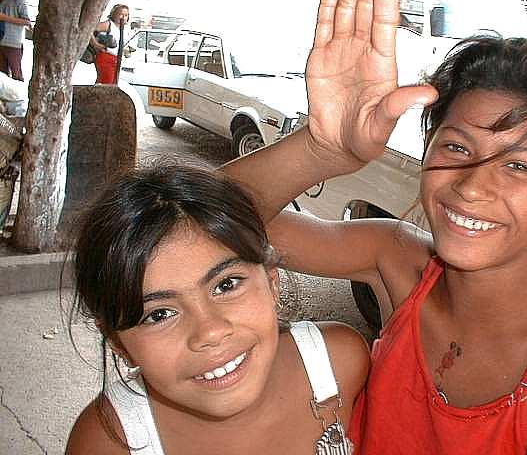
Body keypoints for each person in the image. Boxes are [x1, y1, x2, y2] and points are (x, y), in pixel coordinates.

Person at [223, 0, 527, 454]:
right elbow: (208, 220)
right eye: (457, 147)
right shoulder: (396, 258)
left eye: (518, 165)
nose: (472, 185)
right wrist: (319, 150)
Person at [64, 162, 369, 455]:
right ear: (118, 343)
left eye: (226, 285)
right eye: (159, 315)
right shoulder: (108, 441)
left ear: (271, 282)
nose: (210, 332)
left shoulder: (339, 363)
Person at [0, 0, 30, 81]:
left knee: (16, 75)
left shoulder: (18, 0)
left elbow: (27, 22)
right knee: (2, 77)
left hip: (12, 43)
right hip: (0, 42)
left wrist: (5, 18)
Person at [90, 4, 129, 84]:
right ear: (114, 14)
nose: (123, 17)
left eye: (126, 15)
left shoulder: (123, 29)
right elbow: (88, 29)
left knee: (111, 83)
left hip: (116, 59)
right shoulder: (108, 25)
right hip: (106, 57)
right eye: (120, 14)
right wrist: (95, 44)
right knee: (106, 82)